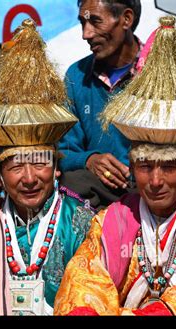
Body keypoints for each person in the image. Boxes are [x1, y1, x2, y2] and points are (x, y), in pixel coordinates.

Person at [54, 17, 176, 316]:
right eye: (144, 166)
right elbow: (85, 283)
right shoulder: (112, 220)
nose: (155, 181)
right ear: (131, 164)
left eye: (168, 168)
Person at [0, 20, 95, 316]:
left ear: (57, 167)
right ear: (0, 176)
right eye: (16, 165)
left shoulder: (81, 223)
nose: (29, 178)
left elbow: (93, 300)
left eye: (39, 163)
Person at [58, 0, 142, 209]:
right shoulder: (76, 76)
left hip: (151, 190)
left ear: (126, 19)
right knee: (73, 183)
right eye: (83, 23)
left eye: (95, 21)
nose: (86, 34)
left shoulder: (159, 71)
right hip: (96, 193)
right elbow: (62, 151)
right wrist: (89, 159)